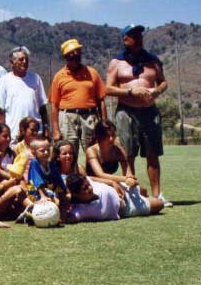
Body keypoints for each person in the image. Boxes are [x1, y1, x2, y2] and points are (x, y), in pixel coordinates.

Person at [105, 25, 172, 206]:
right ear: (125, 39)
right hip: (126, 111)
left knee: (153, 154)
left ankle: (157, 195)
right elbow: (107, 89)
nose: (138, 38)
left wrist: (156, 91)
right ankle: (133, 194)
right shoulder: (117, 63)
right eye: (134, 35)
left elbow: (163, 82)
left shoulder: (153, 60)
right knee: (127, 154)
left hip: (150, 112)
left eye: (140, 35)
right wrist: (130, 92)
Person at [49, 38, 107, 159]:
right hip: (67, 118)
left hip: (90, 117)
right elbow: (54, 105)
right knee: (68, 153)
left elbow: (101, 100)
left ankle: (93, 171)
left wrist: (104, 124)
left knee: (93, 152)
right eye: (71, 54)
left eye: (77, 53)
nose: (75, 56)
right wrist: (55, 130)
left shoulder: (92, 73)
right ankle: (72, 172)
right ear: (65, 57)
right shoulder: (59, 76)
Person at [0, 46, 49, 134]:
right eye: (21, 59)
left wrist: (46, 127)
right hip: (13, 132)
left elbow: (42, 107)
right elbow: (0, 110)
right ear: (12, 63)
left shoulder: (35, 78)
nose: (24, 62)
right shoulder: (4, 80)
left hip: (35, 132)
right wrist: (2, 132)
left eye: (26, 59)